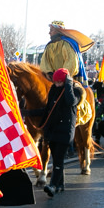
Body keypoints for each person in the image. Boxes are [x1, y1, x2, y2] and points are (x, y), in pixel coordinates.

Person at [33, 68, 81, 196]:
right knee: (56, 158)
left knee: (59, 159)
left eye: (60, 82)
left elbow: (71, 102)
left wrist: (68, 85)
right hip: (53, 131)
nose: (57, 85)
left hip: (65, 131)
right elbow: (48, 109)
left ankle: (53, 185)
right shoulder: (53, 90)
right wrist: (26, 113)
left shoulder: (75, 90)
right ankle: (60, 184)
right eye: (56, 82)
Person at [40, 20, 93, 85]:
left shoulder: (67, 43)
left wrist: (61, 76)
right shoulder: (49, 45)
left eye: (51, 30)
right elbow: (44, 63)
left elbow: (71, 62)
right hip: (53, 80)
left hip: (67, 80)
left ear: (59, 30)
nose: (49, 32)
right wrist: (49, 73)